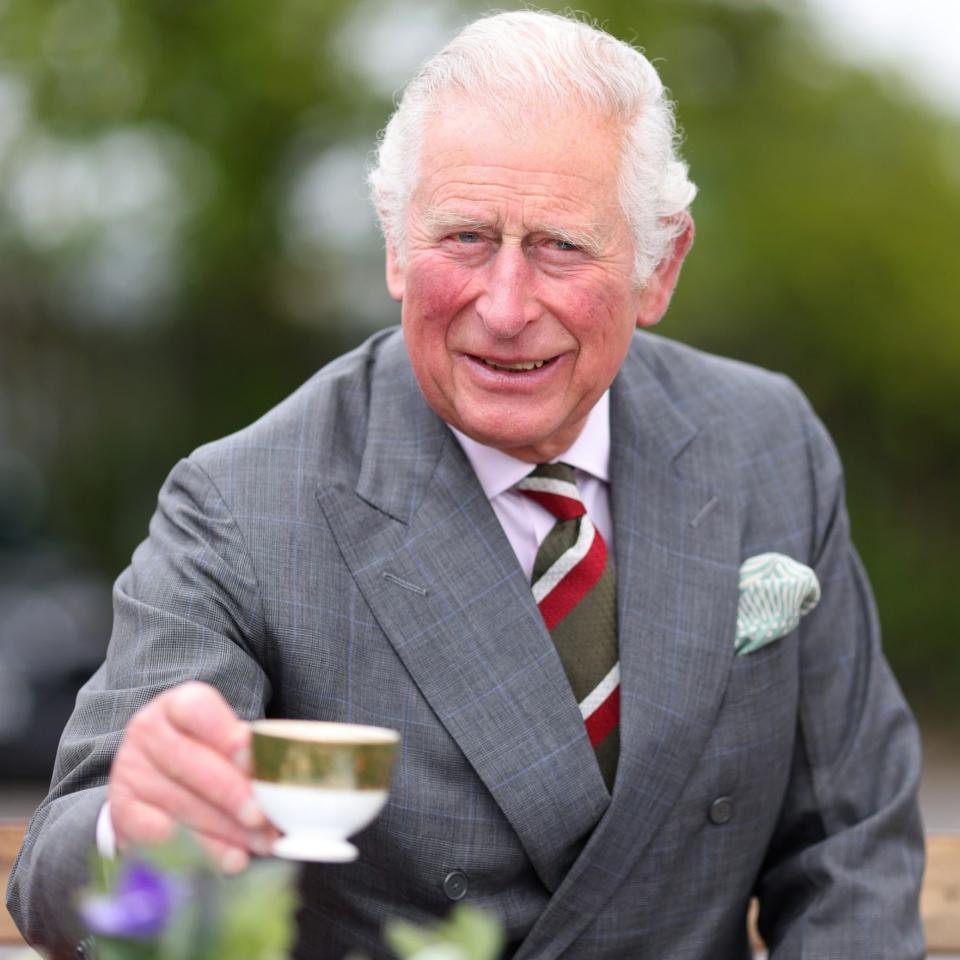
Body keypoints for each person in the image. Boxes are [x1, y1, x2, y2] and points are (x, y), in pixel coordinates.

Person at [8, 10, 925, 959]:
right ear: (397, 248)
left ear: (660, 266)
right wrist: (138, 826)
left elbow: (851, 844)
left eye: (561, 247)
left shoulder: (766, 443)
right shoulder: (243, 505)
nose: (505, 306)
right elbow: (54, 877)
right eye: (466, 238)